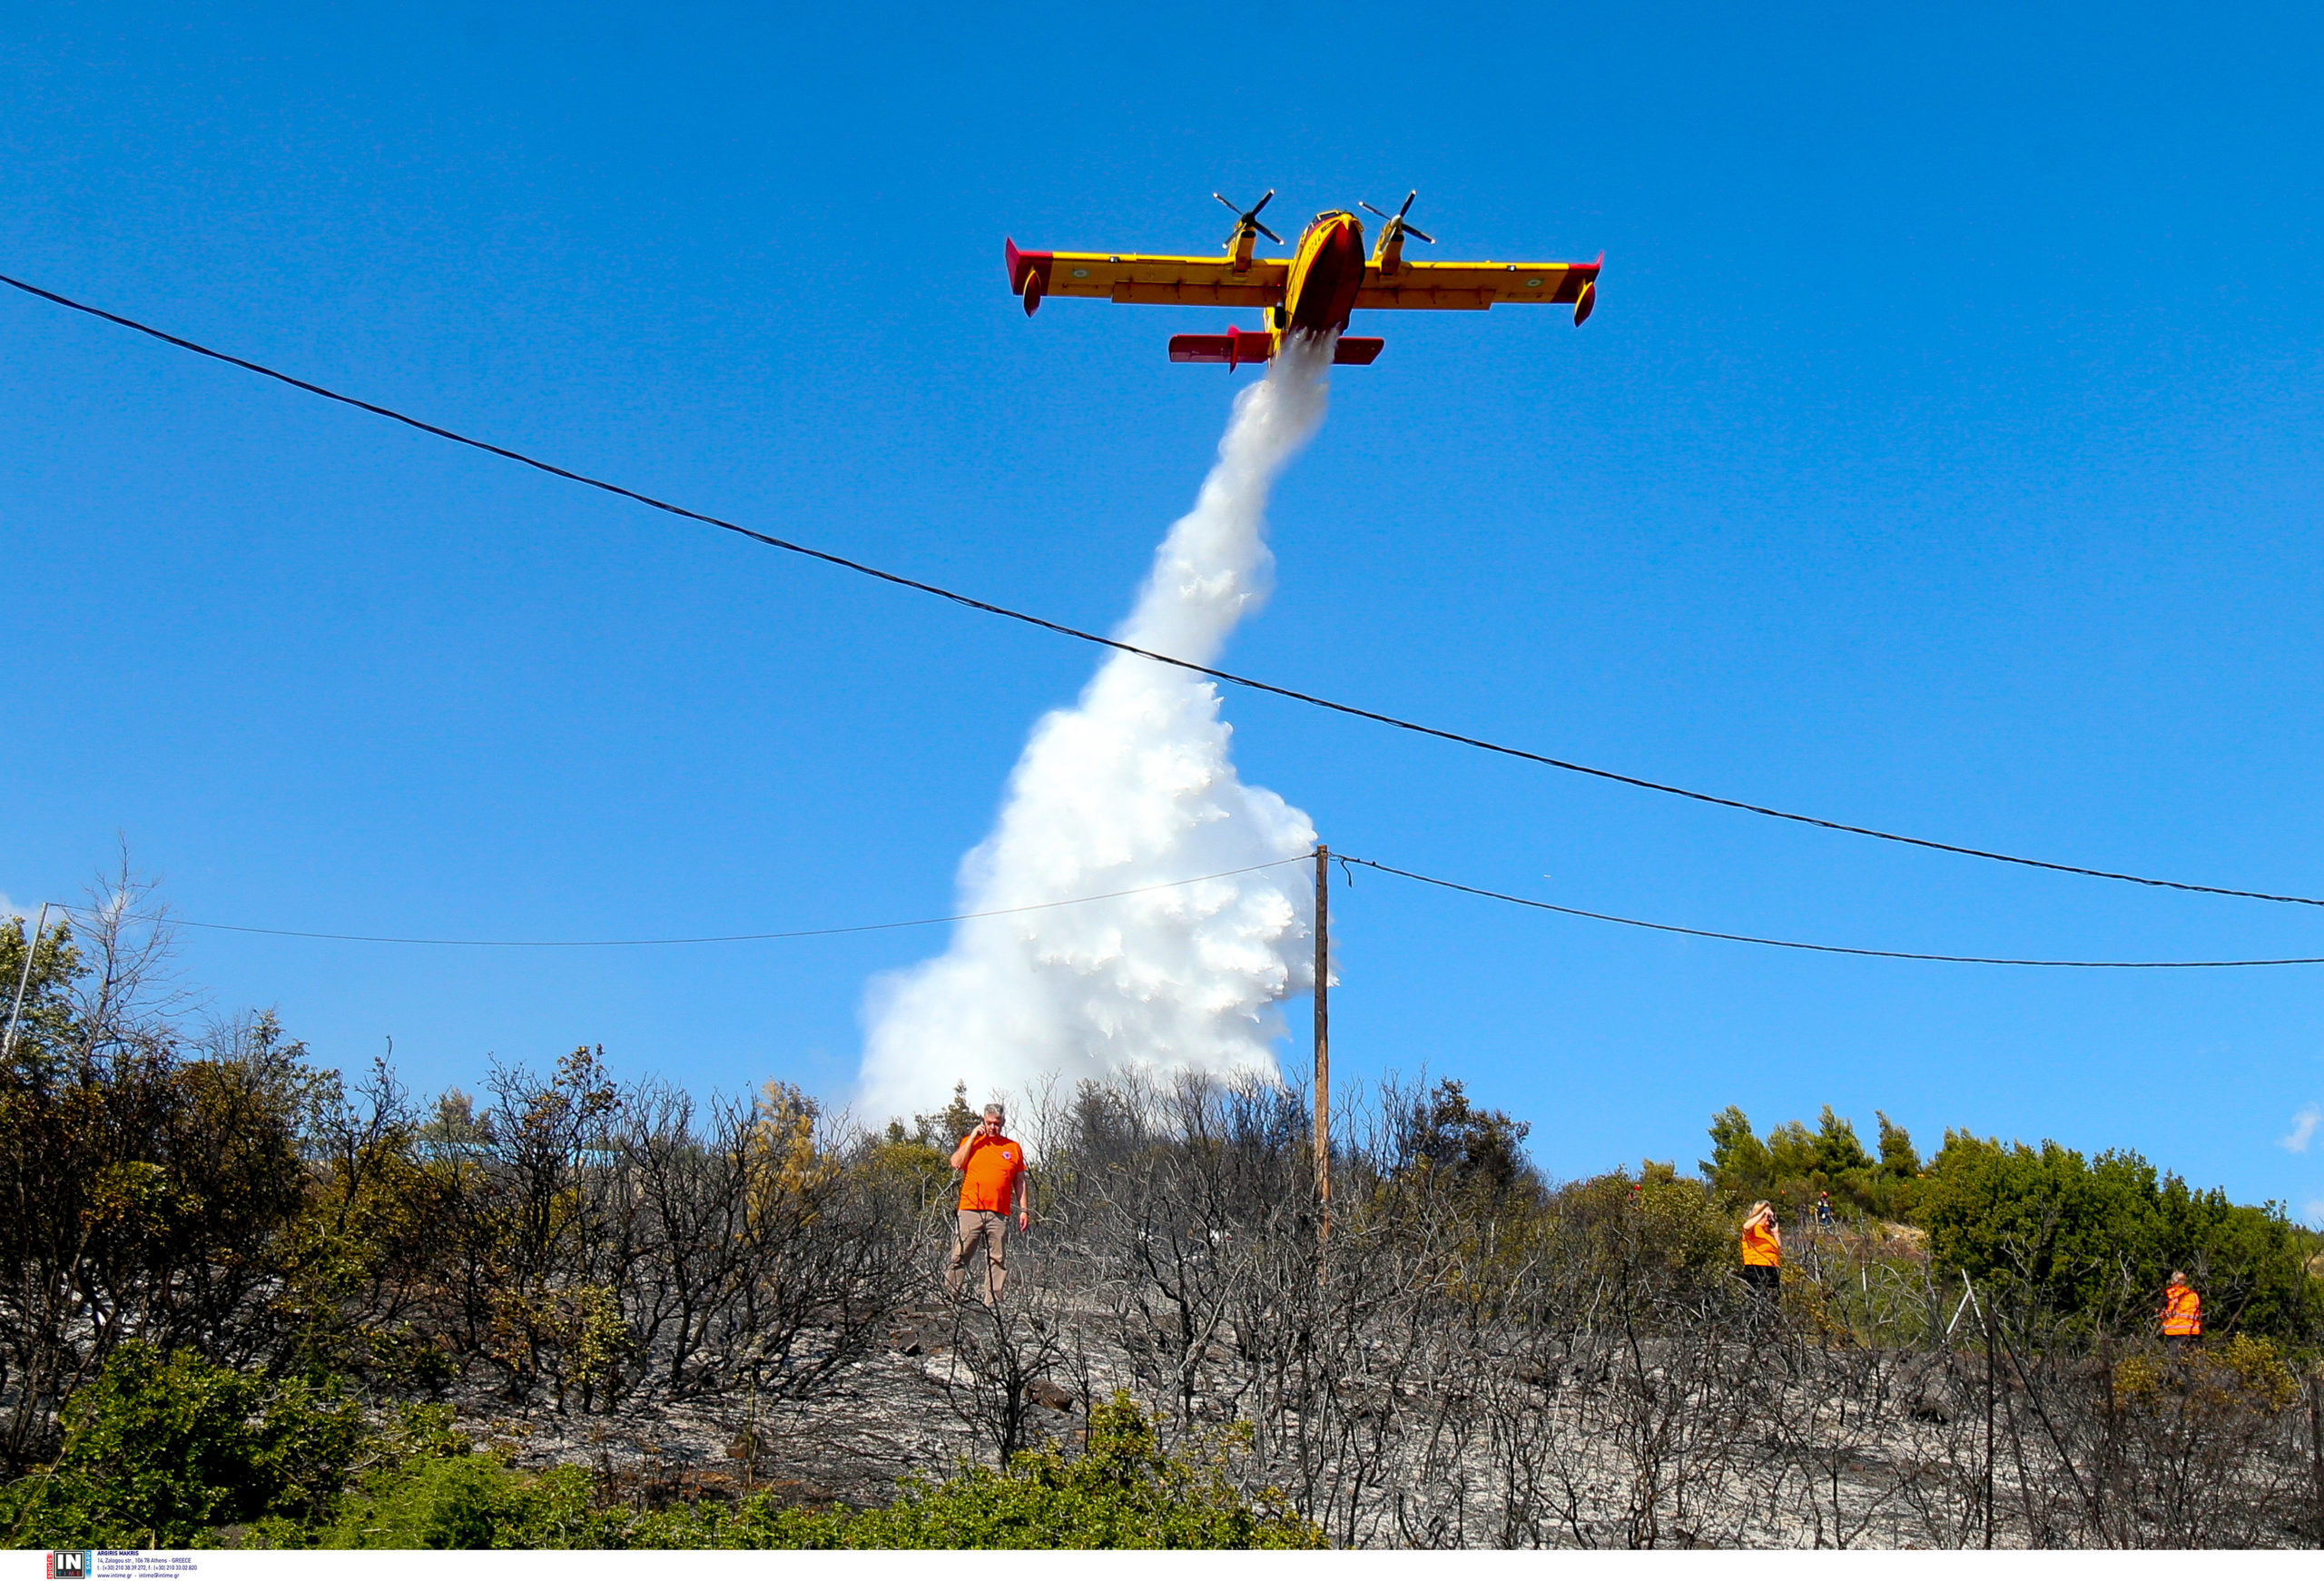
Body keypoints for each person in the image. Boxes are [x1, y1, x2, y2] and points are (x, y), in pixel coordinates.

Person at [947, 1102, 1030, 1305]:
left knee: (997, 1259)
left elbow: (1019, 1182)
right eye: (989, 1123)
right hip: (970, 1209)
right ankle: (949, 1297)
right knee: (960, 1254)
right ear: (983, 1121)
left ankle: (993, 1302)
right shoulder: (971, 1141)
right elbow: (956, 1163)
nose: (993, 1127)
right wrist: (974, 1137)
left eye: (997, 1124)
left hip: (998, 1212)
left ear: (1002, 1123)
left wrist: (1024, 1210)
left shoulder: (1012, 1148)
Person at [1739, 1201, 1781, 1299]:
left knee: (1773, 1301)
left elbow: (1778, 1249)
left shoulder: (1767, 1233)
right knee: (1756, 1300)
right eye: (1767, 1215)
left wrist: (1776, 1233)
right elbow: (1745, 1227)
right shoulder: (1753, 1229)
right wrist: (1763, 1213)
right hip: (1756, 1267)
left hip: (1772, 1267)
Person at [2160, 1270, 2202, 1352]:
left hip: (2174, 1332)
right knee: (2190, 1361)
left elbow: (2161, 1313)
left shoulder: (2169, 1294)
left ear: (2173, 1281)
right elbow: (2199, 1313)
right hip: (2192, 1332)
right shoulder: (2194, 1295)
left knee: (2175, 1360)